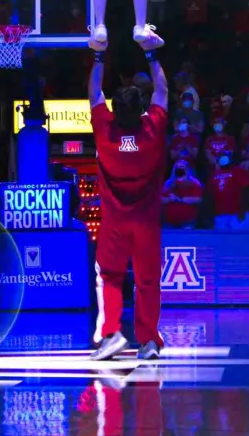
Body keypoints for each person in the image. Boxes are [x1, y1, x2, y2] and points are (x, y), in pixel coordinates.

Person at [88, 33, 168, 361]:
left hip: (115, 222)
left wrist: (98, 55)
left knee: (109, 276)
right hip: (147, 222)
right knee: (148, 280)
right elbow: (163, 90)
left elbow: (93, 92)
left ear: (114, 109)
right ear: (141, 109)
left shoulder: (105, 130)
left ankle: (112, 334)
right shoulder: (152, 131)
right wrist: (151, 54)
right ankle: (148, 341)